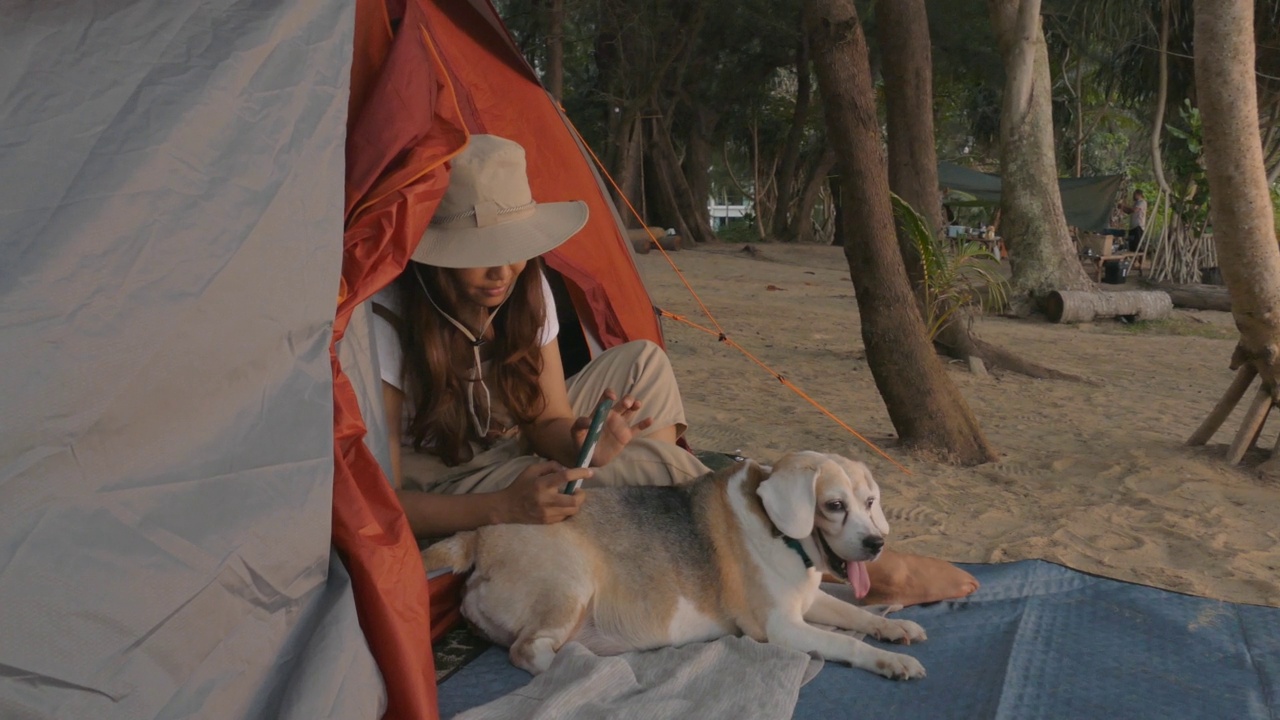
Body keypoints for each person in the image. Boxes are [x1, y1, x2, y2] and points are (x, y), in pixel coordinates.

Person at [375, 133, 977, 606]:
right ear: (433, 256)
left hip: (508, 443)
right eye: (480, 255)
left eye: (513, 247)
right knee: (651, 462)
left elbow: (547, 423)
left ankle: (648, 546)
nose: (500, 271)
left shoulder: (525, 294)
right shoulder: (386, 324)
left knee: (645, 364)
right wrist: (502, 507)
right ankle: (794, 562)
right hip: (448, 484)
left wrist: (593, 445)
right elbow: (380, 503)